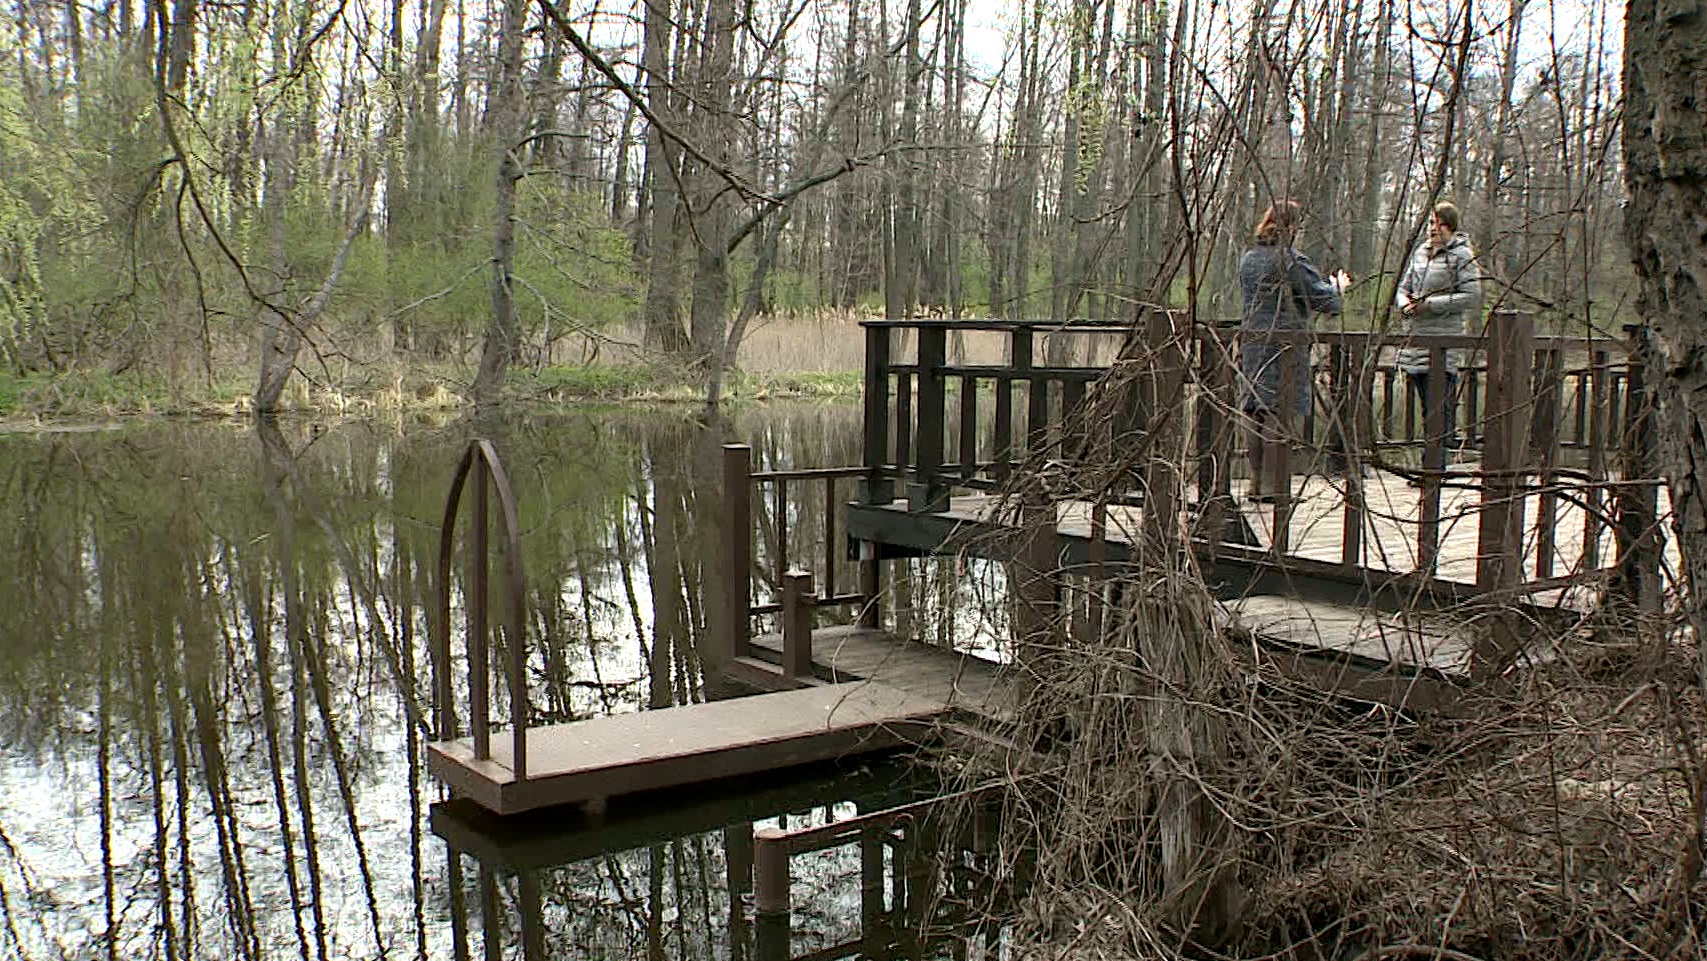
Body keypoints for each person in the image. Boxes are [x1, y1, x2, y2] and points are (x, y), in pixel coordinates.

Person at [1237, 199, 1351, 502]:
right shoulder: (1290, 261)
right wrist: (1338, 288)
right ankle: (1276, 488)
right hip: (1283, 347)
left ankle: (1256, 483)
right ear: (1293, 227)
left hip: (1253, 345)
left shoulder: (1248, 259)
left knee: (1255, 408)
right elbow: (1322, 300)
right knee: (1278, 410)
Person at [1395, 201, 1482, 482]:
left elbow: (1471, 297)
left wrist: (1430, 304)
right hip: (1416, 339)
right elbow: (1403, 287)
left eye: (1438, 224)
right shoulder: (1420, 253)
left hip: (1443, 340)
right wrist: (1405, 303)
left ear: (1450, 227)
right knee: (1426, 404)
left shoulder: (1462, 256)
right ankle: (1430, 466)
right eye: (1430, 224)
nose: (1432, 229)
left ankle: (1433, 467)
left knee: (1439, 404)